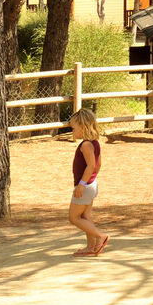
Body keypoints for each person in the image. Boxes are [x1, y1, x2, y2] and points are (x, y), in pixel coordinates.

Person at [68, 108, 108, 257]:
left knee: (74, 218)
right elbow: (97, 165)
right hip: (91, 184)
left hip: (85, 186)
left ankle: (100, 236)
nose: (73, 131)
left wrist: (82, 184)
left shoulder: (85, 145)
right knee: (85, 217)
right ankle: (91, 247)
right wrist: (91, 180)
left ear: (83, 127)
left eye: (74, 128)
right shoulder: (94, 143)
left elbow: (91, 165)